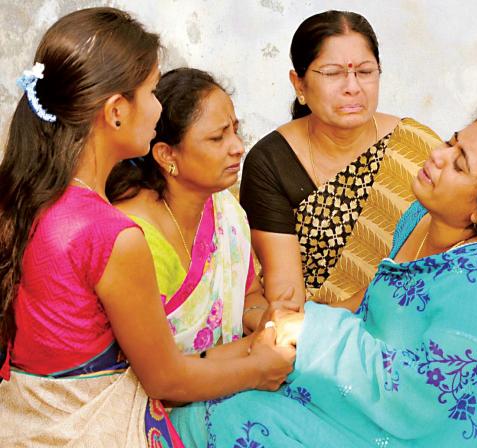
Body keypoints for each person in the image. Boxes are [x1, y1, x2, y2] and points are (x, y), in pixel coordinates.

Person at [171, 108, 477, 446]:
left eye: (458, 163)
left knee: (228, 420)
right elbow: (370, 310)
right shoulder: (416, 218)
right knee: (218, 402)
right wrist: (295, 325)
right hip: (360, 403)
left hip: (403, 433)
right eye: (450, 142)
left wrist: (314, 333)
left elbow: (431, 396)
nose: (437, 156)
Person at [0, 8, 288, 446]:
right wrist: (259, 369)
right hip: (93, 428)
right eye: (153, 91)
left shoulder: (30, 198)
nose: (159, 107)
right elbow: (167, 379)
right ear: (116, 112)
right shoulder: (112, 235)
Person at [239, 10, 442, 313]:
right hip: (310, 332)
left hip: (409, 318)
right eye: (333, 73)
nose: (352, 87)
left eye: (364, 71)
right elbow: (286, 296)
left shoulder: (416, 146)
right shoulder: (271, 162)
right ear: (299, 84)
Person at [106, 68, 293, 354]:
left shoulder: (224, 210)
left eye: (235, 130)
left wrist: (267, 318)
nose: (238, 147)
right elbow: (154, 372)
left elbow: (250, 295)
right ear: (167, 155)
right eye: (218, 138)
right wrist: (252, 359)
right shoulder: (131, 236)